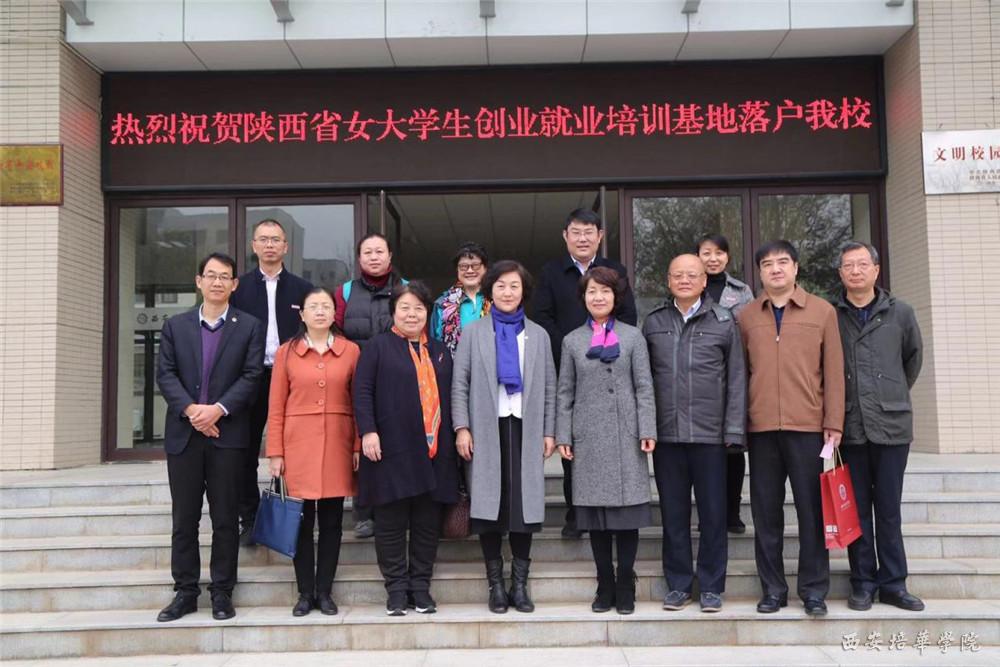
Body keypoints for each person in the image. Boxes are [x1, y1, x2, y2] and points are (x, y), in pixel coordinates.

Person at [154, 252, 265, 622]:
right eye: (211, 275)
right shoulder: (176, 326)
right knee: (184, 519)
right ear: (198, 281)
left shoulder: (249, 326)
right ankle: (185, 592)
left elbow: (252, 376)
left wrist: (217, 409)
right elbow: (166, 374)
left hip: (227, 435)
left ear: (234, 284)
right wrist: (192, 411)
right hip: (184, 436)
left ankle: (222, 591)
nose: (218, 282)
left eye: (225, 276)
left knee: (225, 518)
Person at [738, 240, 845, 617]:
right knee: (766, 514)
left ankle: (813, 591)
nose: (775, 269)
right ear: (759, 272)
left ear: (796, 268)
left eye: (783, 262)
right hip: (762, 428)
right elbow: (740, 374)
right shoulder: (747, 316)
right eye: (767, 264)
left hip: (808, 427)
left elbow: (834, 371)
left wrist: (833, 421)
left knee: (811, 512)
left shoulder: (822, 311)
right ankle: (773, 590)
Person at [452, 260, 557, 614]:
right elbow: (460, 383)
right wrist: (462, 427)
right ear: (490, 291)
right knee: (489, 507)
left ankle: (520, 586)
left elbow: (550, 386)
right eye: (500, 286)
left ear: (523, 291)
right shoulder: (474, 333)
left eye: (514, 286)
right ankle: (496, 585)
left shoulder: (538, 335)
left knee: (523, 507)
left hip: (526, 428)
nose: (507, 292)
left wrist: (549, 430)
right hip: (486, 429)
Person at [643, 254, 746, 613]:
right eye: (678, 275)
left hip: (710, 437)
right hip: (667, 436)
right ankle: (678, 585)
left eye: (692, 275)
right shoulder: (654, 322)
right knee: (673, 516)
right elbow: (644, 382)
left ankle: (712, 586)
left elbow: (737, 380)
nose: (684, 280)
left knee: (714, 516)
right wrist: (646, 427)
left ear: (705, 281)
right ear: (668, 280)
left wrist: (734, 430)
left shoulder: (724, 322)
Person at [352, 281, 459, 616]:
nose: (412, 314)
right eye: (405, 308)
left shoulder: (440, 350)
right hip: (390, 451)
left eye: (419, 308)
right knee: (391, 525)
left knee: (427, 525)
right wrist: (368, 431)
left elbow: (452, 396)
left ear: (427, 313)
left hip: (434, 452)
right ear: (394, 312)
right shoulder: (377, 347)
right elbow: (362, 392)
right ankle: (397, 590)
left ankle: (420, 588)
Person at [555, 266, 657, 615]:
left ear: (616, 297)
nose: (598, 297)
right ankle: (605, 583)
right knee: (596, 518)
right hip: (588, 438)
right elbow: (565, 392)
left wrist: (647, 429)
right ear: (583, 298)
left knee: (627, 518)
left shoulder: (633, 337)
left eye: (605, 291)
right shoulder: (572, 340)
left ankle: (626, 582)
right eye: (592, 291)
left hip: (626, 436)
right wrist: (564, 434)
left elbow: (644, 386)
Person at [535, 208, 637, 539]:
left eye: (589, 232)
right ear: (565, 236)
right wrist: (572, 348)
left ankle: (615, 509)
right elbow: (542, 317)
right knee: (573, 442)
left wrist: (609, 345)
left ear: (600, 236)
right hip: (570, 367)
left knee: (613, 442)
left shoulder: (615, 271)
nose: (582, 238)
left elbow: (629, 315)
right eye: (576, 232)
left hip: (611, 366)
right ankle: (575, 513)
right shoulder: (551, 272)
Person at [834, 241, 924, 612]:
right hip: (849, 427)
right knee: (855, 511)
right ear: (840, 273)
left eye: (862, 264)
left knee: (888, 509)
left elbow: (911, 361)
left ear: (876, 270)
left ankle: (894, 583)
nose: (855, 271)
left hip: (891, 426)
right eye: (848, 266)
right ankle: (862, 582)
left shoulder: (900, 312)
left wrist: (890, 395)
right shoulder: (832, 315)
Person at [266, 287, 361, 617]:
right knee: (301, 523)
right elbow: (276, 406)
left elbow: (359, 402)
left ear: (335, 314)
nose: (320, 311)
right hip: (297, 446)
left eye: (326, 306)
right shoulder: (286, 352)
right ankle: (305, 592)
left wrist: (357, 444)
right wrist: (275, 452)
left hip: (338, 443)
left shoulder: (351, 351)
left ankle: (325, 591)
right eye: (313, 306)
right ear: (302, 314)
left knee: (333, 522)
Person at [230, 219, 314, 546]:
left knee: (296, 450)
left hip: (292, 380)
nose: (269, 245)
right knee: (245, 451)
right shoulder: (238, 288)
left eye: (275, 240)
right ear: (254, 246)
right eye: (263, 239)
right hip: (251, 378)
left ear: (285, 246)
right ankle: (249, 519)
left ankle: (296, 513)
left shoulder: (302, 289)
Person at [333, 232, 406, 539]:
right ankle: (363, 513)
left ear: (390, 256)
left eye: (379, 251)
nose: (374, 257)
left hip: (399, 378)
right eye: (368, 252)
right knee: (362, 444)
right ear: (359, 258)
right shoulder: (345, 291)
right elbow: (335, 332)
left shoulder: (406, 289)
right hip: (357, 379)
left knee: (397, 444)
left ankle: (396, 509)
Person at [696, 233, 754, 535]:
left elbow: (751, 331)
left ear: (728, 257)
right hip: (701, 378)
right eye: (706, 252)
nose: (713, 258)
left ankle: (732, 510)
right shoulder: (691, 286)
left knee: (733, 449)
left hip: (734, 373)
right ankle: (708, 512)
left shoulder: (742, 292)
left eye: (719, 253)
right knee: (704, 452)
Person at [431, 241, 490, 356]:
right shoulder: (442, 304)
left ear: (485, 268)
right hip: (452, 366)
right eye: (463, 266)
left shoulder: (498, 300)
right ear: (457, 270)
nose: (470, 270)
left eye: (475, 265)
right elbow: (433, 345)